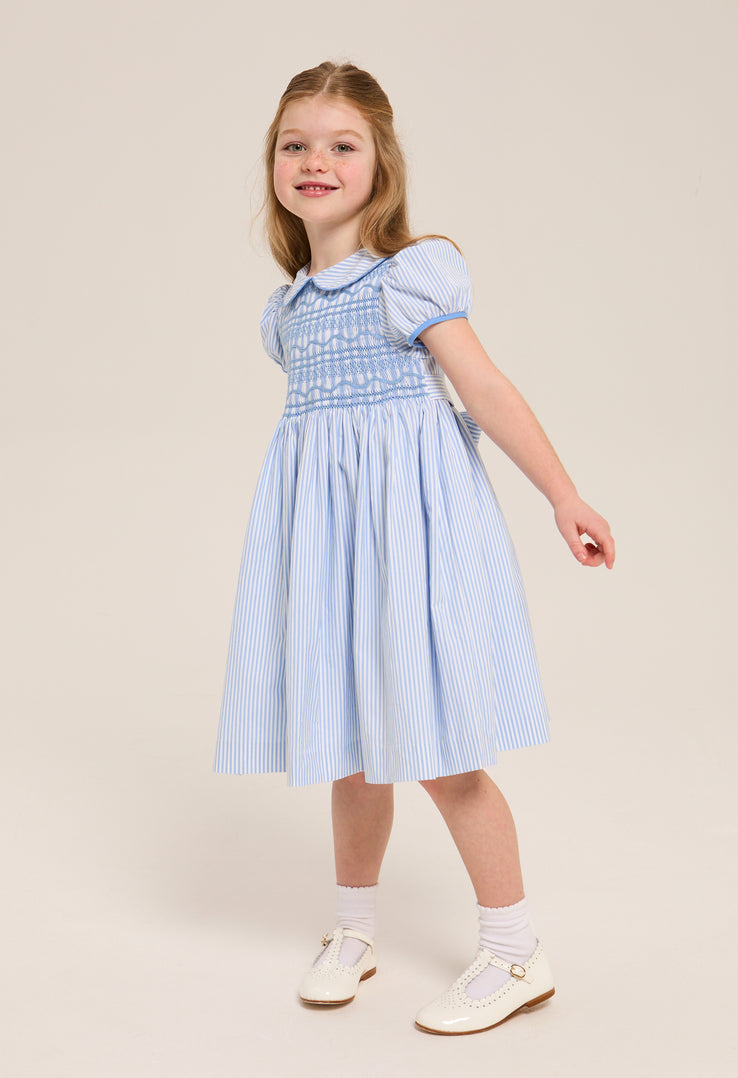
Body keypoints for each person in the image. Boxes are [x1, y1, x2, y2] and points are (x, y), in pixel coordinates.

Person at [214, 60, 615, 1036]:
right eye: (294, 144)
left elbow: (484, 389)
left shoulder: (408, 275)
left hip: (413, 545)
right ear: (272, 163)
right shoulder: (287, 312)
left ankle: (514, 951)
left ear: (380, 163)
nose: (315, 160)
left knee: (440, 749)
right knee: (351, 749)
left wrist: (562, 494)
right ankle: (353, 930)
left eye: (340, 144)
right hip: (333, 553)